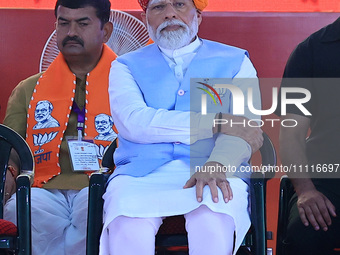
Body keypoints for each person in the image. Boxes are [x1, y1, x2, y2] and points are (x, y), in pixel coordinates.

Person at [100, 0, 263, 254]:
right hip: (140, 176)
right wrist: (217, 122)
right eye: (158, 7)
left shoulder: (236, 61)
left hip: (214, 165)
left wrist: (218, 163)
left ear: (198, 15)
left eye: (179, 4)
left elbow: (245, 129)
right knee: (128, 223)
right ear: (146, 18)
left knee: (210, 218)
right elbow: (134, 122)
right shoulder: (124, 66)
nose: (169, 14)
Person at [3, 0, 116, 254]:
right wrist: (9, 172)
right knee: (21, 208)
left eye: (82, 23)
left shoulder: (128, 85)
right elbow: (11, 146)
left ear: (106, 31)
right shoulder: (29, 89)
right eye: (63, 23)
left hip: (103, 182)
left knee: (102, 207)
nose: (71, 32)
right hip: (43, 185)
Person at [277, 17, 340, 255]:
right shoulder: (310, 51)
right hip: (328, 180)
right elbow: (291, 134)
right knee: (304, 234)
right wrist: (305, 190)